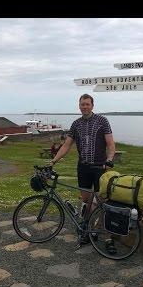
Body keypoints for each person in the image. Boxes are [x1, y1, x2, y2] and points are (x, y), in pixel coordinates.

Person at [50, 94, 116, 250]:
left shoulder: (102, 121)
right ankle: (88, 228)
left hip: (100, 167)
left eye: (87, 104)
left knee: (102, 202)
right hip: (83, 167)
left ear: (92, 105)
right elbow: (66, 145)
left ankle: (107, 236)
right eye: (82, 104)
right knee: (86, 200)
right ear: (79, 106)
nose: (85, 107)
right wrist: (54, 160)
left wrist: (110, 159)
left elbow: (111, 144)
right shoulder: (76, 124)